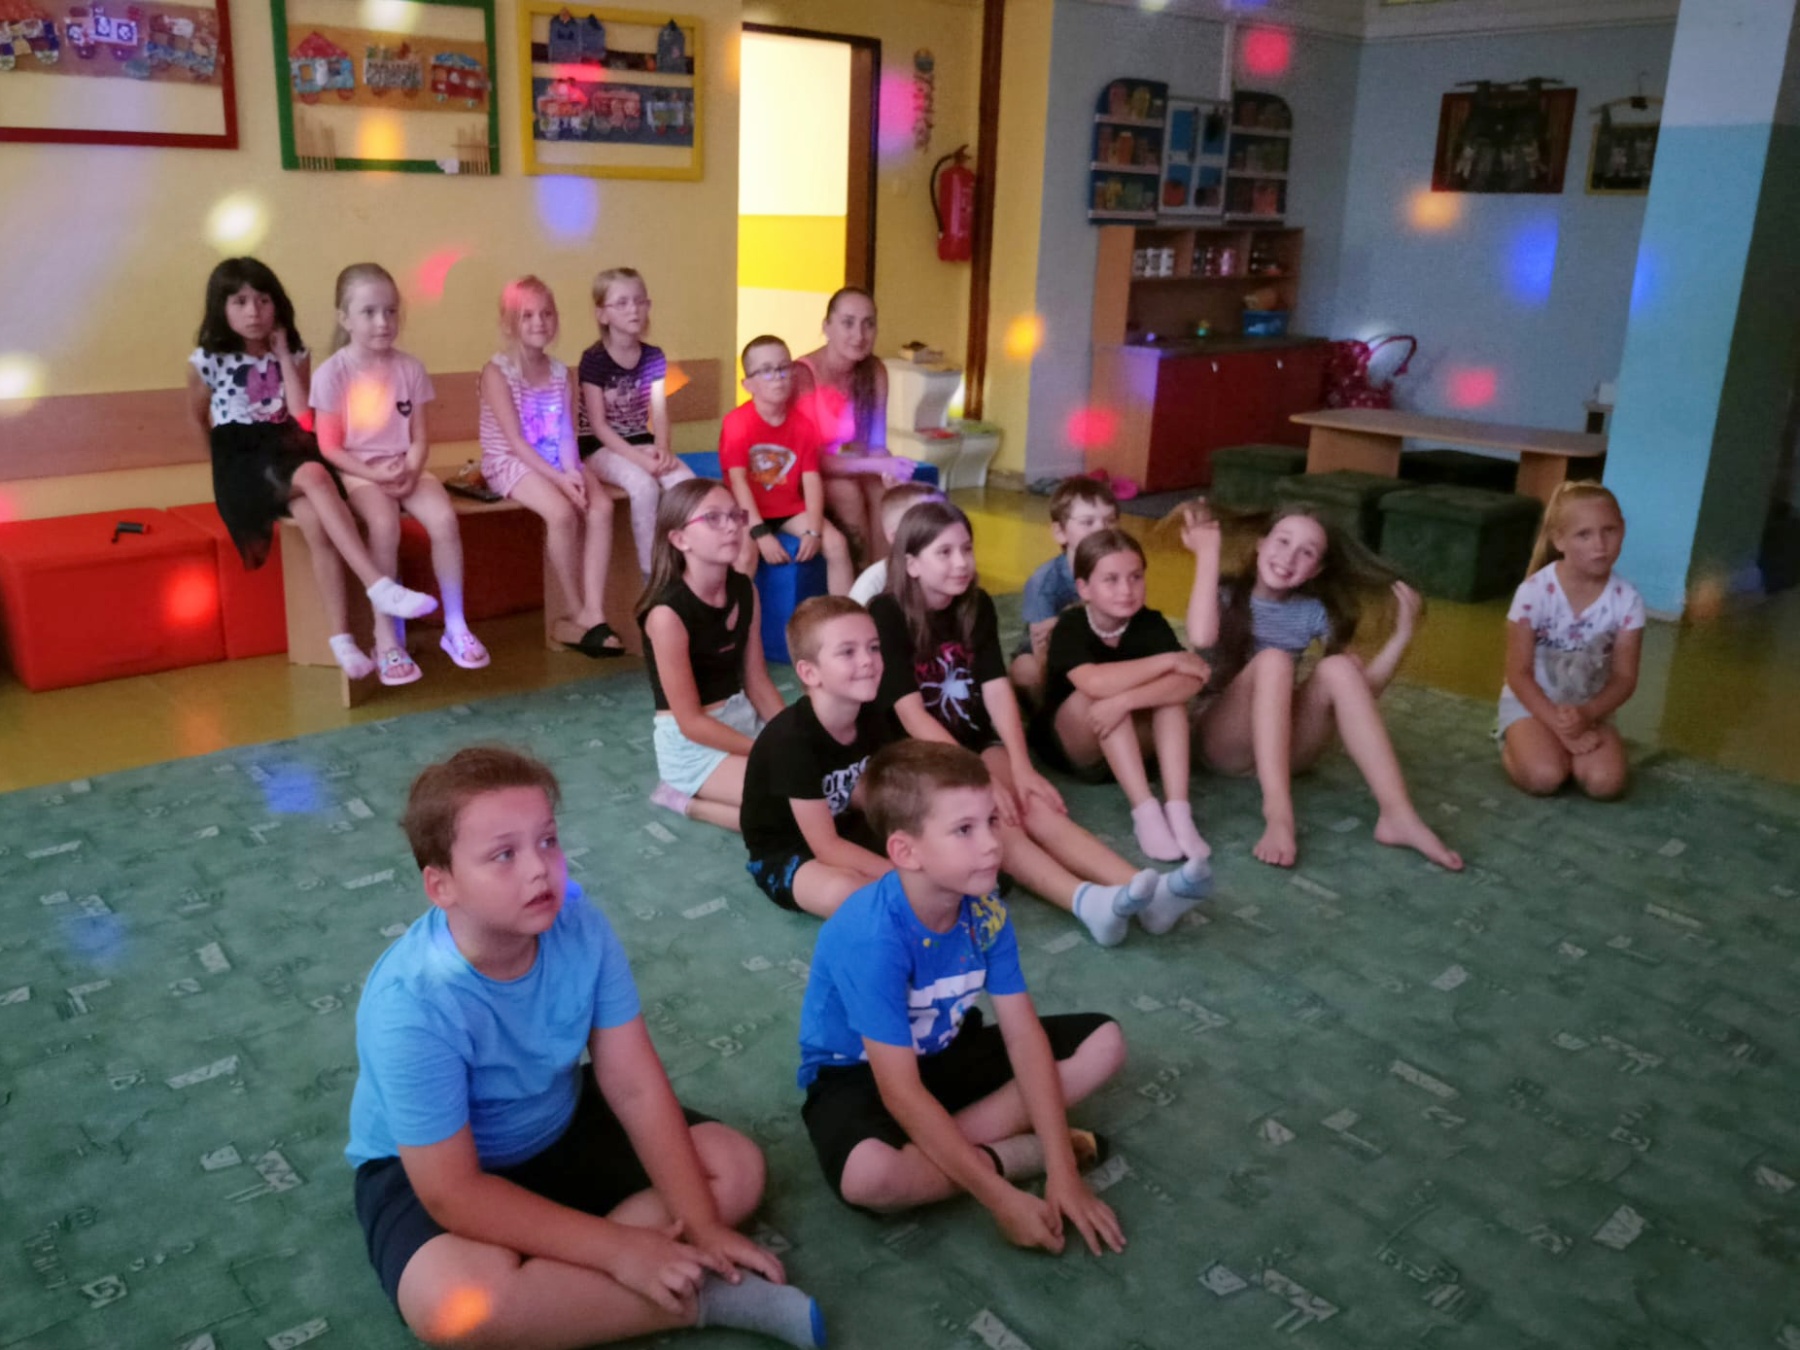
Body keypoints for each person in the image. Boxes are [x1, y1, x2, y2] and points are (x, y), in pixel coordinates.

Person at [346, 746, 825, 1350]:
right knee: (453, 1308)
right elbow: (453, 1192)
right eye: (503, 855)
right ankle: (697, 1297)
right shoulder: (411, 1004)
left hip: (559, 1120)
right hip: (441, 1171)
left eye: (547, 840)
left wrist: (702, 1223)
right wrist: (618, 1250)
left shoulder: (578, 921)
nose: (539, 870)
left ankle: (573, 1289)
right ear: (441, 885)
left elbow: (633, 1085)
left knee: (735, 1168)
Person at [796, 740, 1128, 1256]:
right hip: (857, 1075)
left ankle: (946, 1150)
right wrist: (1001, 1198)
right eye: (965, 830)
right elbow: (899, 1092)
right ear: (906, 851)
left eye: (992, 821)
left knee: (1105, 1042)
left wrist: (1064, 1174)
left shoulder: (986, 910)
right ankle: (1013, 1156)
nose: (993, 844)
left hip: (944, 1049)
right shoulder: (870, 937)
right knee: (870, 1178)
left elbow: (1023, 1036)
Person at [872, 500, 1210, 945]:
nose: (962, 562)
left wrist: (1021, 765)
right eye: (945, 552)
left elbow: (996, 687)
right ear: (912, 564)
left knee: (1032, 803)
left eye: (967, 549)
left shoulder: (975, 604)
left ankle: (1143, 889)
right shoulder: (886, 613)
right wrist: (978, 776)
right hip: (919, 752)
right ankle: (1085, 901)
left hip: (975, 740)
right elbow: (911, 713)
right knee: (994, 819)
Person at [186, 257, 437, 681]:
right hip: (240, 460)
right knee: (317, 476)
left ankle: (342, 641)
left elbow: (302, 416)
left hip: (285, 449)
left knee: (317, 525)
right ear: (220, 307)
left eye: (263, 300)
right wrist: (223, 469)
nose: (253, 312)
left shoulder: (296, 353)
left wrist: (284, 355)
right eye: (240, 302)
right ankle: (378, 584)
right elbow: (198, 419)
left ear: (276, 304)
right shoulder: (207, 360)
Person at [1183, 502, 1462, 871]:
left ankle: (1398, 814)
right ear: (1261, 544)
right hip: (1222, 744)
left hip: (1286, 751)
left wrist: (1401, 637)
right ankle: (1279, 815)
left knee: (1340, 668)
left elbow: (1359, 696)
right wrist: (1207, 554)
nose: (1289, 557)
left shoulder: (1313, 611)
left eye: (1307, 552)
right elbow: (1201, 636)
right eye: (1283, 541)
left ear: (1317, 569)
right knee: (1275, 661)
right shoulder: (1225, 592)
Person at [313, 262, 488, 685]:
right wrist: (376, 476)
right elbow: (330, 447)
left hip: (406, 467)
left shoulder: (410, 368)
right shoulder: (332, 374)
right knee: (384, 524)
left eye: (390, 311)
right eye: (369, 312)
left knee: (444, 520)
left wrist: (410, 468)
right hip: (360, 473)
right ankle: (386, 638)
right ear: (344, 319)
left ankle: (455, 626)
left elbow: (420, 438)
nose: (383, 322)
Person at [1034, 529, 1210, 862]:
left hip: (1132, 742)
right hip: (1077, 746)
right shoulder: (1071, 625)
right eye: (1111, 580)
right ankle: (1145, 812)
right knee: (1101, 697)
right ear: (1084, 588)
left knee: (1170, 702)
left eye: (1135, 577)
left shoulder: (1150, 623)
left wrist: (1125, 702)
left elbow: (1192, 681)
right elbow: (1095, 683)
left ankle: (1178, 810)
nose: (1126, 590)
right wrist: (1167, 661)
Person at [477, 276, 625, 657]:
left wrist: (571, 471)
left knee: (601, 506)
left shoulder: (561, 373)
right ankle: (575, 610)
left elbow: (565, 433)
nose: (538, 322)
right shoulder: (497, 372)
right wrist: (560, 480)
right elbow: (515, 441)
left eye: (546, 314)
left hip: (556, 461)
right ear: (509, 322)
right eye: (527, 315)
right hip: (510, 462)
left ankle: (595, 610)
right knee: (561, 513)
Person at [637, 479, 786, 832]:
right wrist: (764, 750)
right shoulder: (666, 613)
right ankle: (685, 802)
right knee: (788, 810)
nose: (732, 526)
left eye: (735, 515)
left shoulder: (744, 589)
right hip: (692, 743)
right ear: (680, 539)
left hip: (740, 719)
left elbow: (757, 681)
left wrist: (789, 735)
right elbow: (691, 722)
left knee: (827, 788)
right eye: (713, 518)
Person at [741, 597, 894, 918]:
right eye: (848, 652)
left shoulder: (873, 712)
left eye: (874, 647)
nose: (868, 660)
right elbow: (826, 847)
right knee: (851, 893)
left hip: (845, 826)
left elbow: (876, 792)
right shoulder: (790, 741)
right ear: (810, 673)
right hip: (788, 853)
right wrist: (906, 878)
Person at [1498, 482, 1642, 798]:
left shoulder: (1627, 599)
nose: (1600, 545)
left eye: (1609, 531)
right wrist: (1558, 725)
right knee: (1545, 776)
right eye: (1584, 535)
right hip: (1532, 705)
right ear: (1559, 539)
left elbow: (1624, 678)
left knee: (1606, 784)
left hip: (1590, 710)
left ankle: (1559, 748)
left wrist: (1587, 715)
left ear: (1623, 530)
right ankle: (1511, 744)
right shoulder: (1533, 593)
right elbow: (1518, 674)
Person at [579, 268, 695, 578]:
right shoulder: (594, 359)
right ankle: (651, 572)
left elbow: (659, 412)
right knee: (643, 486)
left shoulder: (653, 356)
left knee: (685, 485)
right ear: (603, 314)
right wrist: (640, 460)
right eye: (622, 303)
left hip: (641, 441)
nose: (633, 309)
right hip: (599, 448)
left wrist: (663, 449)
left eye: (639, 301)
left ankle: (689, 566)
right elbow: (599, 426)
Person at [720, 335, 853, 595]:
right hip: (744, 509)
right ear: (748, 384)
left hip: (788, 509)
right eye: (766, 371)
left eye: (783, 368)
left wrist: (813, 530)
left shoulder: (804, 426)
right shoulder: (736, 424)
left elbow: (811, 480)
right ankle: (735, 617)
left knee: (837, 544)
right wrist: (759, 532)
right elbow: (738, 481)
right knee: (745, 557)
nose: (778, 377)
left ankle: (845, 613)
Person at [790, 287, 914, 565]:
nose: (859, 335)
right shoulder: (803, 375)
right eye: (848, 323)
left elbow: (876, 445)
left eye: (868, 324)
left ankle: (884, 577)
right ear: (827, 327)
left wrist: (887, 470)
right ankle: (861, 576)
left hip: (846, 463)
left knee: (884, 490)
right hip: (806, 472)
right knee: (849, 493)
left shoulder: (875, 371)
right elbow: (810, 460)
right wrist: (874, 464)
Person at [1009, 477, 1120, 706]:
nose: (1101, 529)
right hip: (1051, 652)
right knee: (1026, 671)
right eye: (1087, 522)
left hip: (1103, 644)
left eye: (1110, 521)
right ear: (1060, 532)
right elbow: (1042, 647)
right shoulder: (1044, 581)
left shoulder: (1123, 570)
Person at [847, 480, 944, 605]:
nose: (941, 530)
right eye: (924, 523)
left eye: (946, 519)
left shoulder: (957, 569)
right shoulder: (872, 586)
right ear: (896, 537)